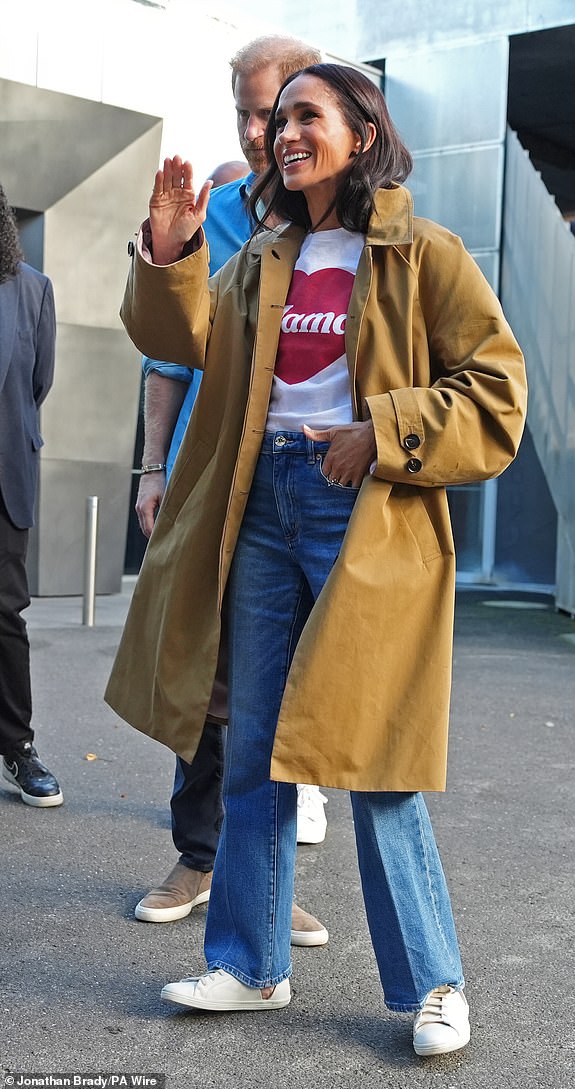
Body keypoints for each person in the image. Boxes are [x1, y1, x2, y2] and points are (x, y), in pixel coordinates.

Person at [108, 63, 527, 1057]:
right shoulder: (263, 255)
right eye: (279, 118)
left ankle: (434, 984)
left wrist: (382, 432)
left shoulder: (425, 252)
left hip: (363, 510)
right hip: (261, 506)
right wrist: (169, 250)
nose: (284, 133)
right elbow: (186, 338)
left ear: (361, 132)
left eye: (308, 115)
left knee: (377, 755)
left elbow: (497, 393)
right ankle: (250, 963)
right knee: (253, 746)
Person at [132, 35, 329, 944]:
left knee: (278, 686)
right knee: (204, 672)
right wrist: (152, 468)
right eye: (245, 113)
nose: (256, 131)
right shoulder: (218, 212)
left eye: (271, 111)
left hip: (302, 479)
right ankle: (198, 854)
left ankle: (263, 877)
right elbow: (167, 355)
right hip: (210, 474)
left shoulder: (340, 220)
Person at [0, 182, 62, 809]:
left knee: (5, 618)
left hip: (4, 477)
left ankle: (17, 747)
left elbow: (36, 385)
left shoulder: (32, 288)